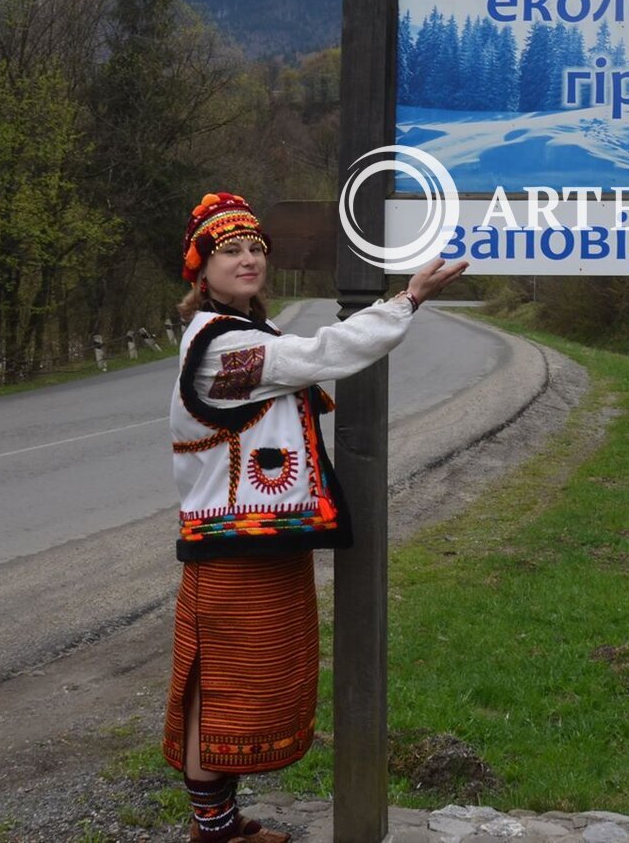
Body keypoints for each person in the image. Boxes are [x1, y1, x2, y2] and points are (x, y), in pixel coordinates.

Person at [162, 191, 467, 842]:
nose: (247, 260)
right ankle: (213, 832)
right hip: (232, 553)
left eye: (254, 249)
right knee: (218, 696)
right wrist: (406, 299)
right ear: (200, 268)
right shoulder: (224, 352)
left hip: (257, 546)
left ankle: (222, 824)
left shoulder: (240, 335)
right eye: (228, 250)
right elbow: (323, 353)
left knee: (239, 693)